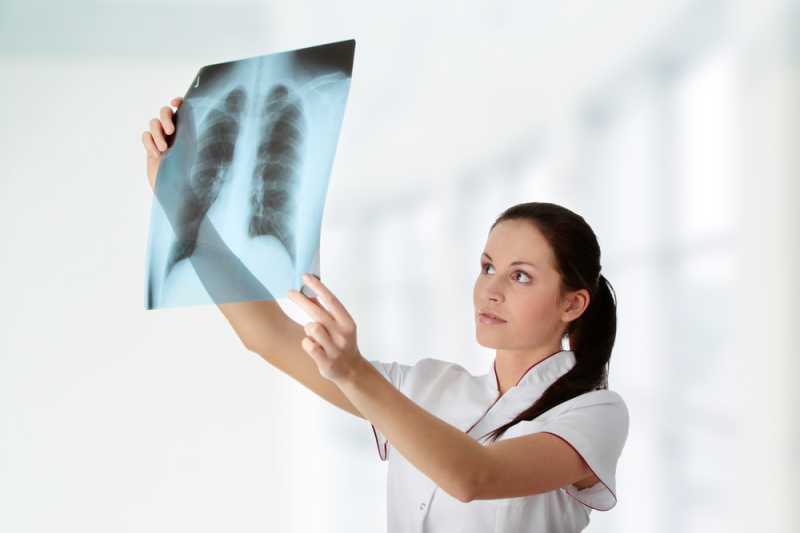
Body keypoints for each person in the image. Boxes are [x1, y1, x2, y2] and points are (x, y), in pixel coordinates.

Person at [142, 97, 630, 533]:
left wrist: (354, 372)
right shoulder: (428, 386)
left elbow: (474, 477)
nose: (491, 290)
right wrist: (178, 203)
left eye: (520, 276)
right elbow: (266, 335)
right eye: (487, 267)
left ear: (572, 303)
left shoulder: (594, 413)